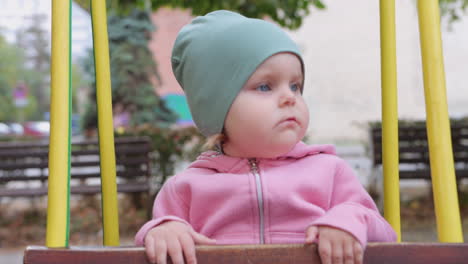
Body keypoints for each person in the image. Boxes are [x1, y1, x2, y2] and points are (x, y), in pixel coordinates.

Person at [135, 10, 397, 264]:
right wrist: (162, 230)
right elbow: (156, 241)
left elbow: (385, 235)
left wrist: (348, 219)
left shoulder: (330, 172)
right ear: (217, 108)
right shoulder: (186, 188)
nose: (289, 97)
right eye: (264, 86)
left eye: (295, 85)